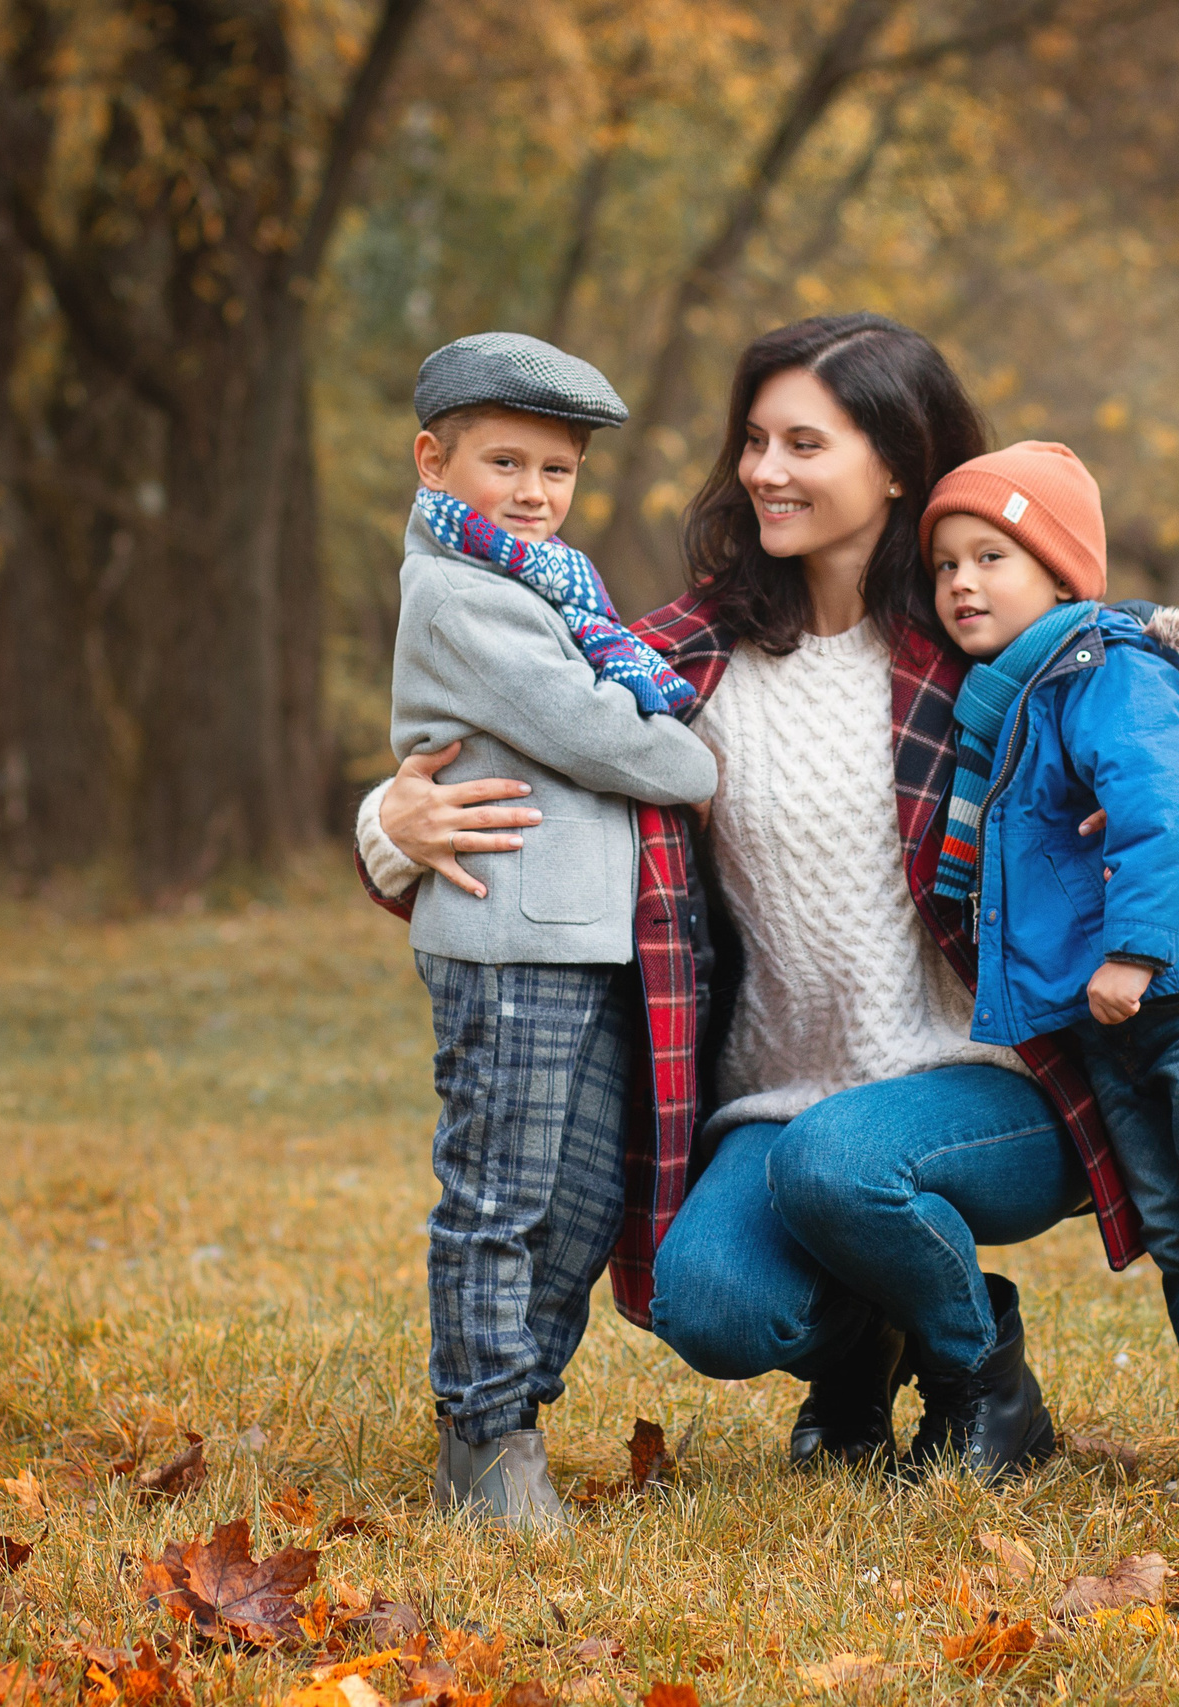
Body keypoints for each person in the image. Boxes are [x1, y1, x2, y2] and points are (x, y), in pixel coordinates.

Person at [356, 314, 1179, 1484]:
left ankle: (980, 1372)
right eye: (754, 442)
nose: (764, 472)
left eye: (803, 444)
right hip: (779, 1097)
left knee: (841, 1164)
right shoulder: (677, 659)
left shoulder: (985, 642)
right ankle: (869, 1336)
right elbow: (527, 744)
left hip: (994, 1081)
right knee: (710, 1305)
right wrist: (388, 826)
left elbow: (1160, 704)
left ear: (894, 464)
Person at [919, 439, 1179, 1499]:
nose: (961, 583)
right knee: (1176, 1226)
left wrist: (1132, 951)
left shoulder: (1104, 668)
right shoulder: (1013, 697)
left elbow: (1158, 802)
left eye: (990, 557)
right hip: (1111, 1009)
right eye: (946, 564)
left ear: (1059, 574)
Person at [384, 332, 718, 1529]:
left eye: (556, 470)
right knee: (500, 1195)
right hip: (509, 937)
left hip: (585, 939)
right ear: (434, 461)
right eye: (504, 463)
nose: (533, 493)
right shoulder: (461, 595)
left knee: (576, 1202)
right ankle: (486, 1441)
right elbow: (596, 732)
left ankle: (515, 1405)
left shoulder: (552, 584)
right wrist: (692, 757)